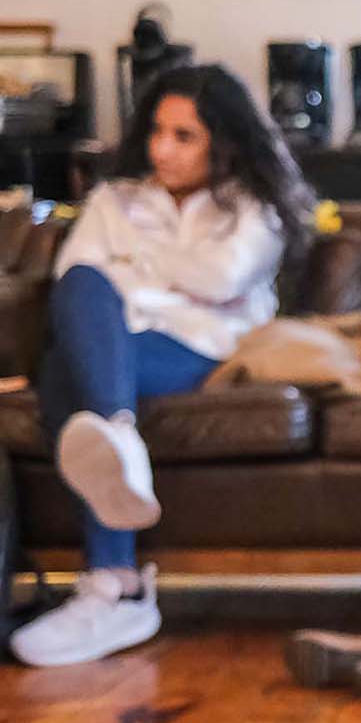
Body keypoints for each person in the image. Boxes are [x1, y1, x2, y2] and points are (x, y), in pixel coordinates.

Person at [10, 65, 312, 667]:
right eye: (157, 131)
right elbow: (81, 276)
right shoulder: (113, 199)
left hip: (197, 348)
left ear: (222, 141)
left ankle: (114, 583)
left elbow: (223, 278)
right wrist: (154, 269)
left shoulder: (256, 209)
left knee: (66, 375)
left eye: (184, 136)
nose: (161, 149)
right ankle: (118, 443)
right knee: (84, 295)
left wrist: (135, 257)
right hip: (113, 338)